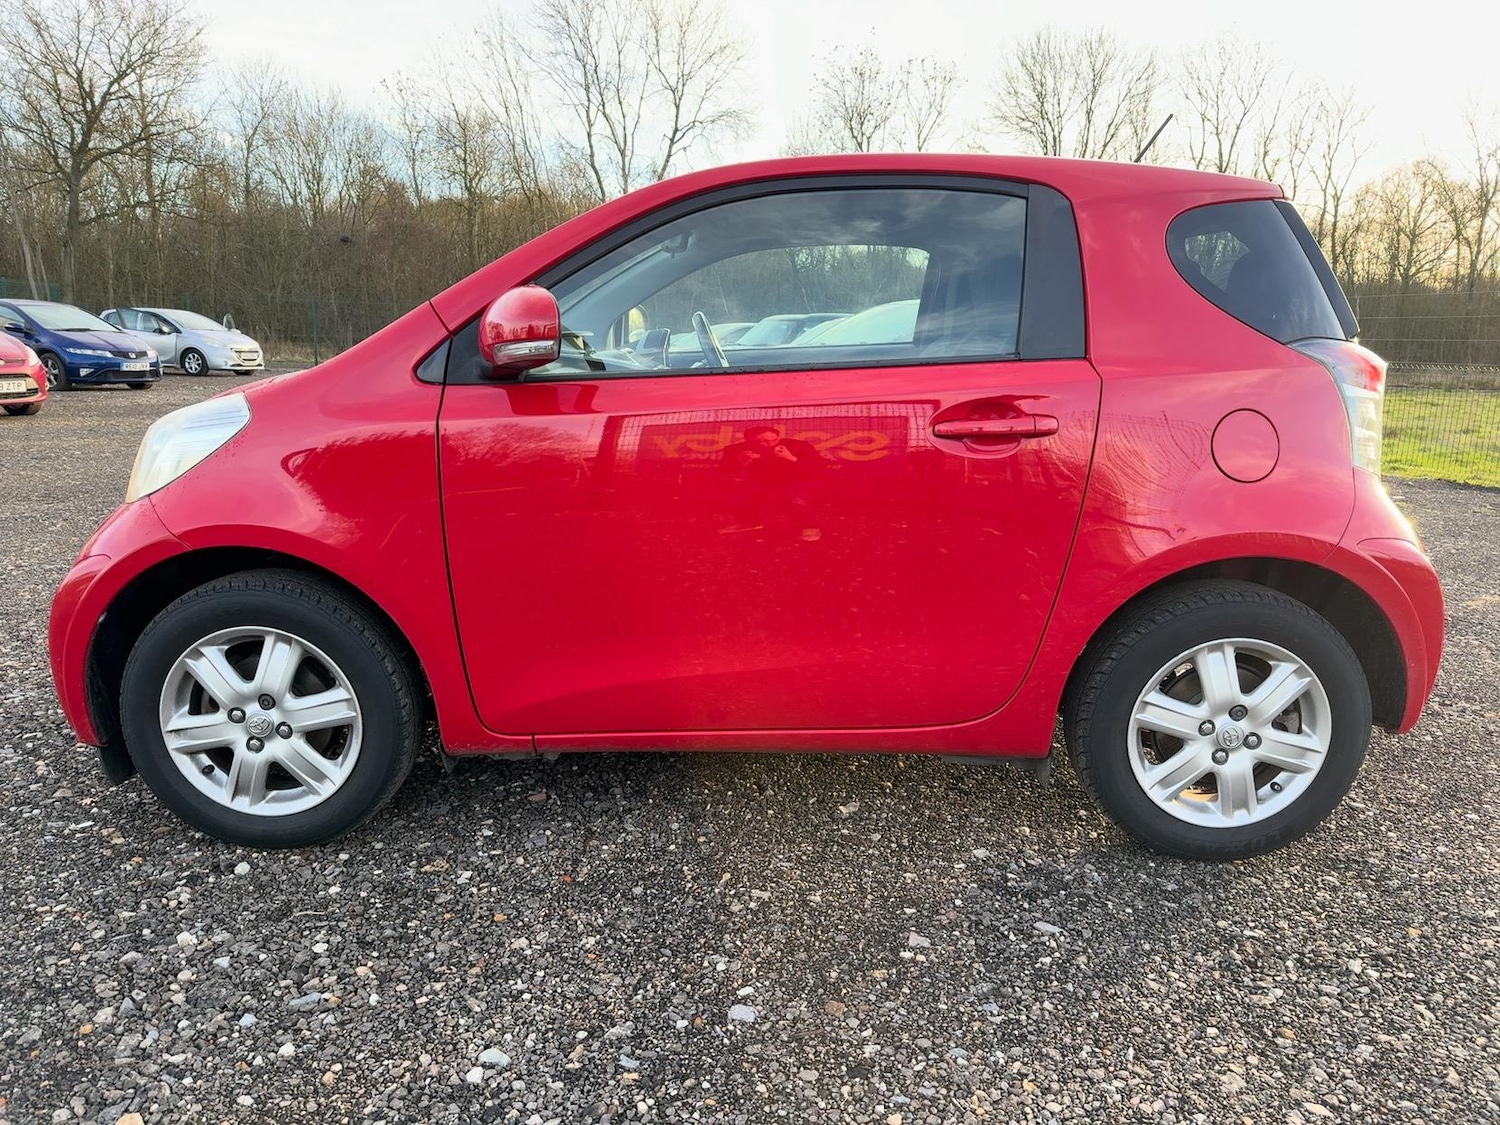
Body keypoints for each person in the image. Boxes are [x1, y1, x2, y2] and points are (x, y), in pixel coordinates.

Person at [719, 425, 828, 540]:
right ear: (748, 440)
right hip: (761, 481)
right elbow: (725, 469)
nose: (768, 444)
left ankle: (809, 526)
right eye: (761, 441)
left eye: (773, 440)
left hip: (795, 479)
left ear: (778, 437)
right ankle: (749, 523)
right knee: (739, 497)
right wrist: (742, 462)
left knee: (794, 499)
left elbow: (819, 466)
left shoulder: (798, 446)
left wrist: (792, 458)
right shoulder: (736, 450)